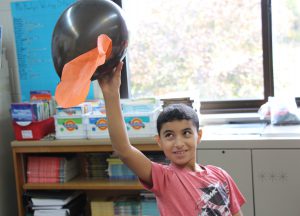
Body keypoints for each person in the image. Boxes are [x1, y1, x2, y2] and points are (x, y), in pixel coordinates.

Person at [98, 61, 246, 216]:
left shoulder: (220, 175)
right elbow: (123, 149)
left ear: (199, 136)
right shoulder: (164, 178)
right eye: (169, 135)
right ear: (159, 142)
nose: (179, 143)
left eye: (186, 133)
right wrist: (111, 94)